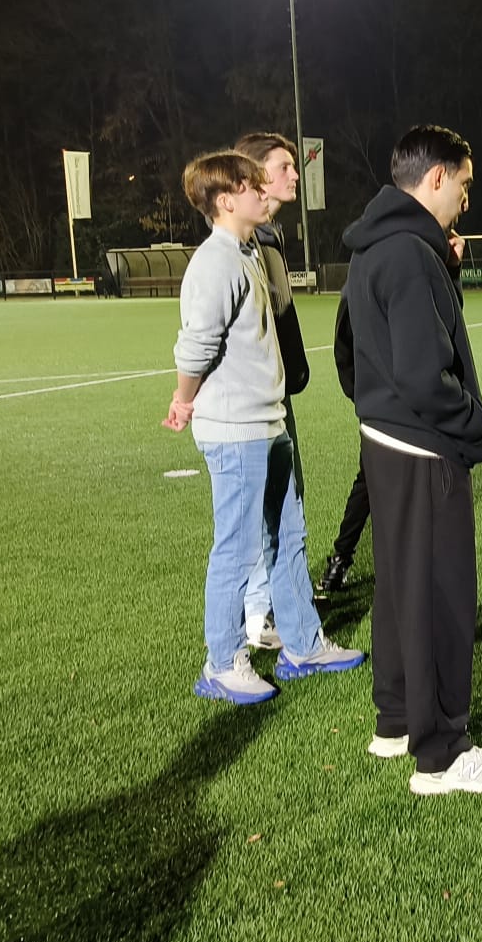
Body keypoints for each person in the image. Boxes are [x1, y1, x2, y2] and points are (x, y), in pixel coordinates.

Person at [338, 124, 482, 795]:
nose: (467, 200)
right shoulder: (409, 253)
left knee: (399, 588)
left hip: (385, 440)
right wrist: (475, 426)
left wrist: (379, 409)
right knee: (440, 598)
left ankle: (395, 720)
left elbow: (348, 353)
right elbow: (424, 375)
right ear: (437, 177)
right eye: (464, 184)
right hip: (423, 446)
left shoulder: (374, 246)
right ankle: (442, 753)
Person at [162, 149, 363, 705]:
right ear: (226, 200)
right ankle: (222, 663)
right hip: (236, 430)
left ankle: (303, 645)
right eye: (251, 186)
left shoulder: (248, 252)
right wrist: (184, 400)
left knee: (288, 537)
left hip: (267, 422)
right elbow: (195, 346)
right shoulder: (216, 262)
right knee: (237, 547)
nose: (262, 192)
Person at [319, 229, 465, 598]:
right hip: (386, 408)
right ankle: (342, 558)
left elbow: (449, 325)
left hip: (421, 403)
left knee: (398, 485)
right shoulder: (369, 270)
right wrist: (361, 394)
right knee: (373, 483)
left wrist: (452, 270)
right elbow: (344, 344)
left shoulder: (420, 266)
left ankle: (351, 560)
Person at [229, 132, 310, 649]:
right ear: (255, 174)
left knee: (287, 502)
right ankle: (258, 614)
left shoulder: (271, 239)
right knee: (264, 509)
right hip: (252, 402)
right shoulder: (238, 244)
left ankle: (279, 599)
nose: (294, 175)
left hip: (278, 392)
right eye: (284, 167)